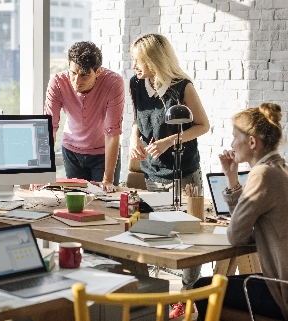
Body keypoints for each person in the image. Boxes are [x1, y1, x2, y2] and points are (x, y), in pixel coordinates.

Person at [128, 33, 210, 319]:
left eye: (138, 60)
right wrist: (133, 140)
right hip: (153, 172)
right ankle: (155, 295)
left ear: (153, 60)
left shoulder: (182, 87)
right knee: (156, 232)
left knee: (190, 237)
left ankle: (187, 297)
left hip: (184, 171)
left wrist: (170, 141)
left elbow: (202, 125)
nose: (134, 65)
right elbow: (137, 120)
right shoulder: (136, 84)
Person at [194, 103, 287, 320]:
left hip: (280, 291)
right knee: (214, 285)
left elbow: (236, 236)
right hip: (280, 281)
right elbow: (246, 232)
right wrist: (232, 179)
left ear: (252, 142)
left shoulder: (262, 174)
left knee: (201, 288)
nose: (232, 143)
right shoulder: (279, 168)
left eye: (235, 137)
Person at [44, 41, 125, 193]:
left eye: (84, 75)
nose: (77, 81)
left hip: (103, 153)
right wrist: (42, 175)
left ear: (98, 71)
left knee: (103, 200)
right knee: (74, 201)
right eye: (73, 73)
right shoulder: (57, 82)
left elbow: (113, 132)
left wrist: (107, 179)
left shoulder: (114, 83)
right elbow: (49, 129)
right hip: (72, 152)